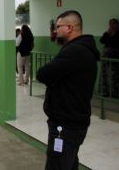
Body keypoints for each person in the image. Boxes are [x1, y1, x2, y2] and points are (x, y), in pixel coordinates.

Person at [36, 10, 100, 170]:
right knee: (69, 163)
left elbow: (43, 74)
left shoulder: (74, 51)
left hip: (65, 126)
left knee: (57, 165)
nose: (55, 30)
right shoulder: (81, 49)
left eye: (58, 26)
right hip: (73, 122)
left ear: (70, 27)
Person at [100, 18, 119, 98]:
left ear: (116, 25)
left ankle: (114, 93)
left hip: (114, 58)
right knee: (104, 75)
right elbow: (102, 41)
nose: (111, 25)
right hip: (105, 58)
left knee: (114, 76)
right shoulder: (107, 33)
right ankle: (105, 92)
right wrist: (107, 33)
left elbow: (116, 44)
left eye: (113, 23)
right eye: (110, 23)